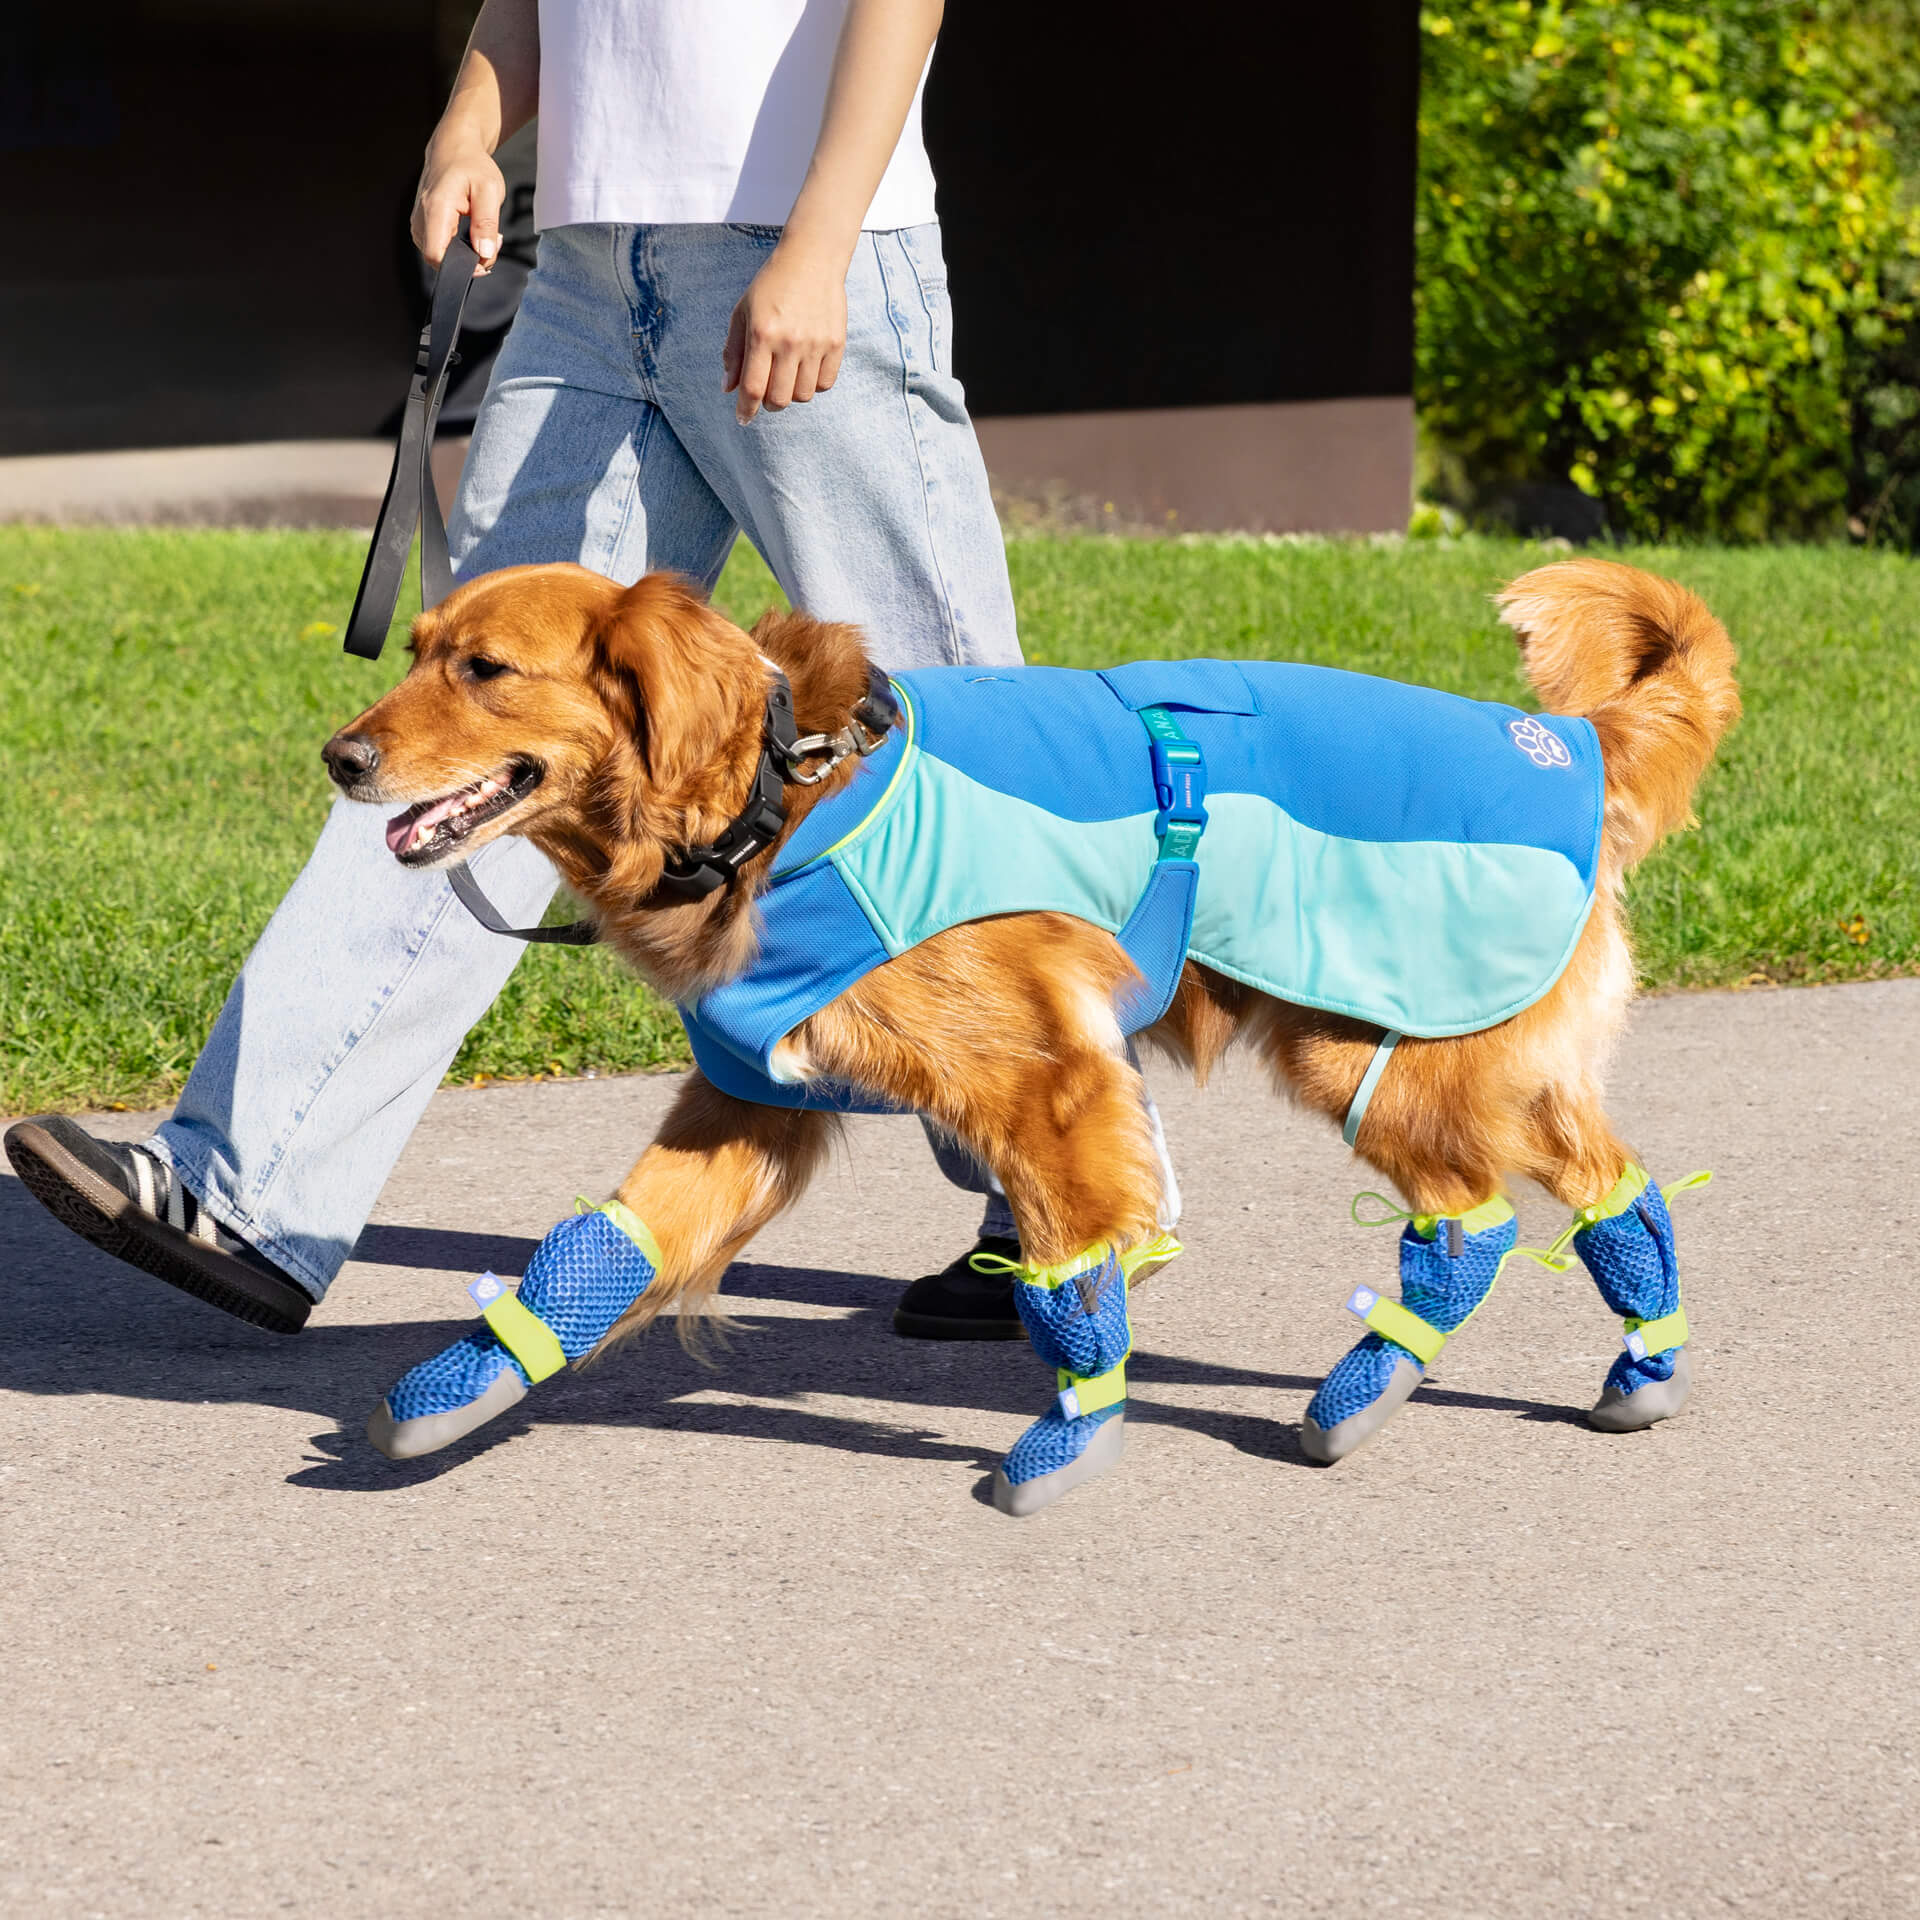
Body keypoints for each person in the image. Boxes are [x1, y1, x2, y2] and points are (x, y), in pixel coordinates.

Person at [6, 0, 1175, 1344]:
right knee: (475, 731)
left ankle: (1076, 1192)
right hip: (583, 272)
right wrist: (469, 129)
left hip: (804, 246)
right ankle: (243, 1187)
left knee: (940, 743)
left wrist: (819, 243)